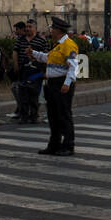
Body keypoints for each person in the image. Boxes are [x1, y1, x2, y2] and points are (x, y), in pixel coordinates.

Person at [33, 17, 80, 156]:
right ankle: (54, 144)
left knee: (64, 115)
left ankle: (68, 145)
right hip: (52, 83)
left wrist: (67, 83)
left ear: (58, 30)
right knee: (53, 115)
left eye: (52, 29)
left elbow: (73, 66)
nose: (51, 31)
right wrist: (34, 54)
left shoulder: (68, 44)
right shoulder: (58, 44)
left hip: (61, 83)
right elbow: (48, 58)